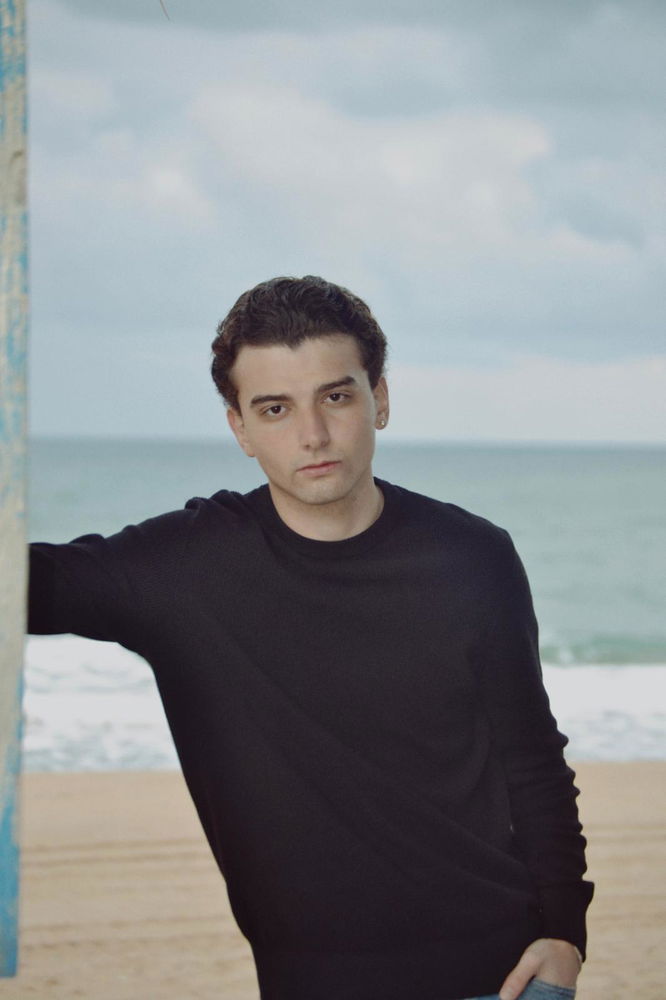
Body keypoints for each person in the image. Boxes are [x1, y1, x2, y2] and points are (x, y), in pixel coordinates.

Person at [28, 275, 594, 1000]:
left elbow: (533, 760)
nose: (313, 435)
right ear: (239, 428)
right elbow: (25, 585)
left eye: (336, 396)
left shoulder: (472, 557)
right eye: (275, 408)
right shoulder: (182, 569)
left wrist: (566, 933)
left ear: (379, 399)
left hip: (503, 975)